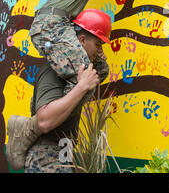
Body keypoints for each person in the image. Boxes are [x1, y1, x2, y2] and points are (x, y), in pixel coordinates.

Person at [6, 0, 163, 171]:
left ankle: (60, 124)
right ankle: (30, 128)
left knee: (98, 68)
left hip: (52, 23)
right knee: (81, 75)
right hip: (53, 25)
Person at [11, 9, 111, 173]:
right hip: (44, 159)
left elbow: (100, 73)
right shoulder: (53, 72)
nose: (100, 52)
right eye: (98, 45)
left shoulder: (77, 71)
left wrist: (96, 60)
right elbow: (44, 122)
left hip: (64, 155)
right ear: (82, 40)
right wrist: (80, 87)